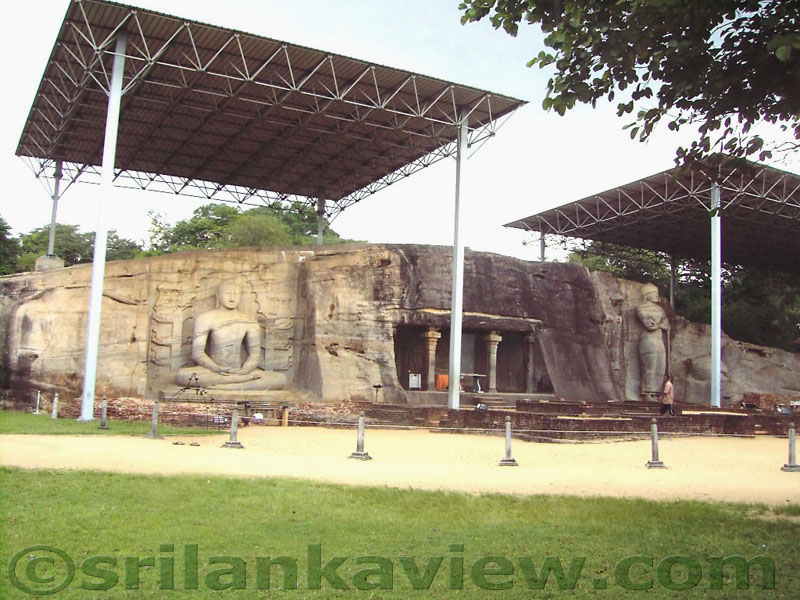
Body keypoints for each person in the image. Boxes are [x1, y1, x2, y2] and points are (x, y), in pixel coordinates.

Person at [175, 281, 286, 390]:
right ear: (218, 296)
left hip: (240, 371)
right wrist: (217, 368)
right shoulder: (205, 318)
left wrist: (245, 370)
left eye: (235, 293)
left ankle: (231, 384)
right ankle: (239, 382)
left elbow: (255, 355)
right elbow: (197, 353)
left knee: (279, 379)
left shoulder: (248, 320)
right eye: (227, 293)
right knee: (182, 375)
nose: (232, 297)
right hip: (212, 370)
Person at [636, 283, 670, 400]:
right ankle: (647, 392)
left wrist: (659, 324)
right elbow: (649, 325)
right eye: (653, 294)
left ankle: (655, 393)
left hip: (659, 340)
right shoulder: (641, 308)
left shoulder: (660, 309)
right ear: (647, 295)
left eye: (656, 294)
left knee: (660, 366)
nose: (656, 296)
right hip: (648, 340)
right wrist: (659, 324)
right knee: (650, 366)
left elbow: (666, 325)